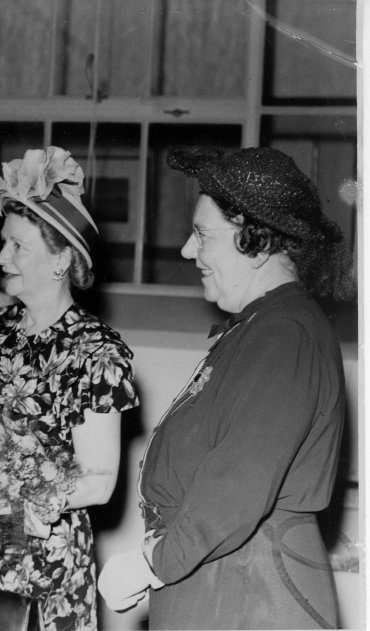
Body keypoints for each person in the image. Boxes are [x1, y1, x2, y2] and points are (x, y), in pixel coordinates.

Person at [97, 146, 353, 629]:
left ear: (254, 242)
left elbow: (237, 487)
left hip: (250, 592)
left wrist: (149, 564)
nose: (186, 251)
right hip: (225, 582)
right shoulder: (259, 327)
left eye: (201, 234)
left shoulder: (284, 335)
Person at [0, 147, 139, 631]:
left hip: (44, 560)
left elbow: (100, 480)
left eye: (17, 246)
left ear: (61, 259)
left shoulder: (96, 352)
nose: (1, 256)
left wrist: (24, 497)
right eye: (3, 242)